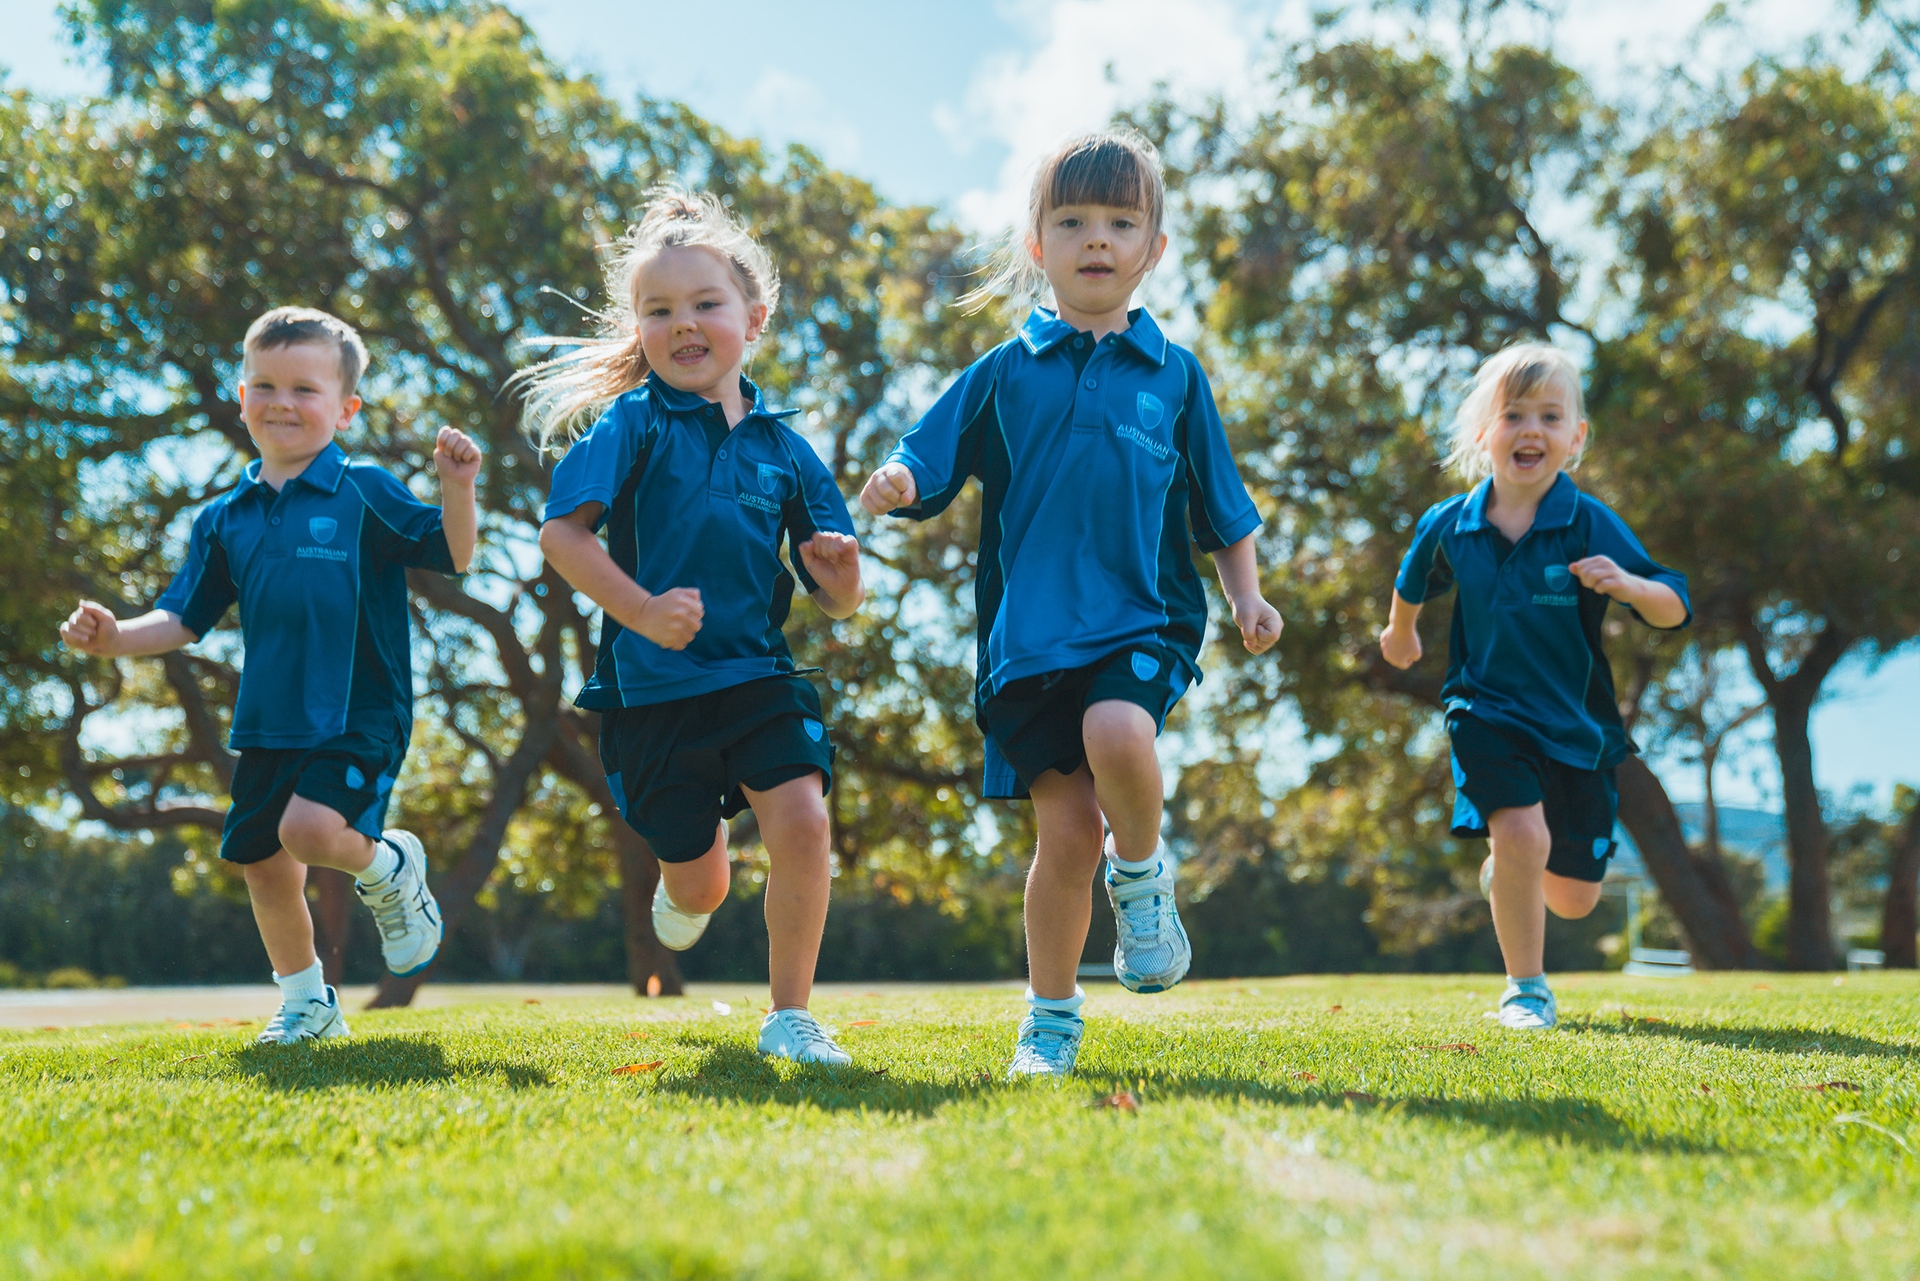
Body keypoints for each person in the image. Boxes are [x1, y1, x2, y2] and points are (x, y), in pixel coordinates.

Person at [861, 132, 1282, 1078]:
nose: (1098, 239)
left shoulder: (1174, 377)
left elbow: (1224, 508)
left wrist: (1248, 596)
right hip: (1027, 641)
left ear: (1153, 249)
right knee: (1063, 837)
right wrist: (895, 479)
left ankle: (1141, 879)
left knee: (1122, 735)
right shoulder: (1007, 370)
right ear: (1037, 244)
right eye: (1074, 221)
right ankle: (1049, 1022)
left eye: (1122, 222)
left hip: (1141, 618)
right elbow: (927, 453)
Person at [59, 306, 478, 1043]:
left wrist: (457, 486)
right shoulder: (225, 516)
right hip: (269, 720)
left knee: (311, 830)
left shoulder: (364, 489)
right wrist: (116, 637)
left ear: (346, 408)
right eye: (266, 384)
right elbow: (184, 617)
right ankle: (309, 1004)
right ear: (241, 394)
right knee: (263, 863)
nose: (283, 401)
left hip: (359, 710)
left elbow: (455, 551)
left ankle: (390, 867)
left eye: (305, 389)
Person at [527, 189, 865, 1066]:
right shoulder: (633, 422)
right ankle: (688, 879)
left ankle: (790, 1015)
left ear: (752, 320)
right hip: (654, 696)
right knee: (700, 879)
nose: (683, 324)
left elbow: (839, 597)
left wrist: (841, 576)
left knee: (803, 820)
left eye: (704, 305)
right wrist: (639, 609)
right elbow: (561, 534)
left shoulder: (787, 449)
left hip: (757, 677)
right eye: (658, 310)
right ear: (638, 330)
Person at [1380, 343, 1690, 1029]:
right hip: (1484, 708)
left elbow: (1673, 604)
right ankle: (1527, 990)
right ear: (1484, 432)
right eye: (1514, 414)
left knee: (1575, 897)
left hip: (1575, 724)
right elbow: (1411, 577)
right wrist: (1401, 633)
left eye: (1550, 416)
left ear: (1575, 438)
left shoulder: (1585, 521)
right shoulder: (1451, 523)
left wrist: (1632, 586)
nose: (1531, 430)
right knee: (1521, 834)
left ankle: (1510, 873)